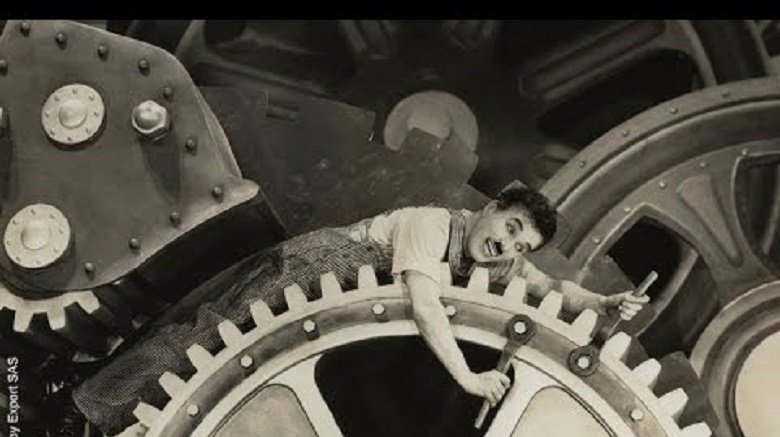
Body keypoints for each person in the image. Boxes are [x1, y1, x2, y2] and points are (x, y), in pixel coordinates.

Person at [74, 182, 649, 435]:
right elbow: (424, 306)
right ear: (491, 208)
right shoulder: (431, 225)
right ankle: (89, 410)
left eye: (522, 246)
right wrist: (467, 379)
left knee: (208, 363)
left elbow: (556, 292)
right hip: (311, 271)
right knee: (200, 344)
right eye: (511, 228)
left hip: (324, 308)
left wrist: (604, 301)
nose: (509, 246)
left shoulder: (496, 261)